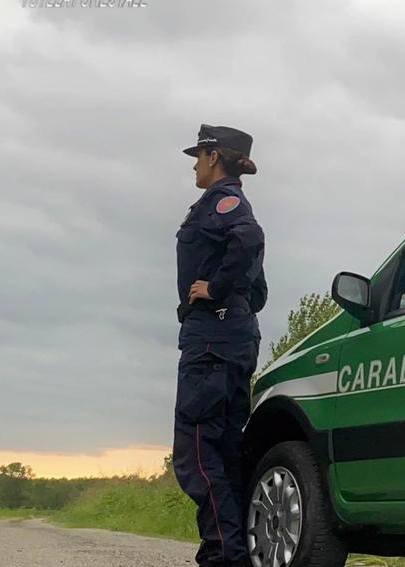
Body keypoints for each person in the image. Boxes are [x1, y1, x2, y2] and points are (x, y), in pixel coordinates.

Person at [172, 124, 267, 567]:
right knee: (227, 453)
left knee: (196, 452)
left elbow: (248, 238)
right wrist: (240, 301)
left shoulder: (222, 203)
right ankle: (235, 551)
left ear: (213, 156)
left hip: (212, 339)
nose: (193, 164)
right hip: (233, 337)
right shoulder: (229, 204)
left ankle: (224, 555)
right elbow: (258, 286)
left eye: (198, 155)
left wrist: (216, 291)